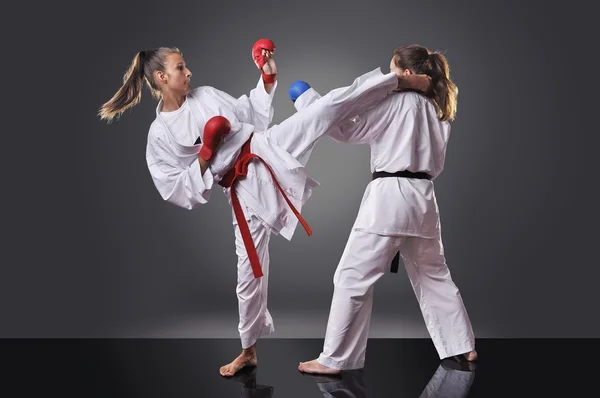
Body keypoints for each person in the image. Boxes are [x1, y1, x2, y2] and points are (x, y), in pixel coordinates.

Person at [97, 40, 431, 377]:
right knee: (250, 273)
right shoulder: (159, 135)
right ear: (161, 77)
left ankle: (397, 82)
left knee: (324, 109)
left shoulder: (206, 95)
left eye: (185, 66)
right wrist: (206, 153)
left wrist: (267, 77)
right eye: (180, 68)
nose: (188, 72)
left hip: (266, 147)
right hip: (241, 188)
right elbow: (175, 188)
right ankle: (248, 351)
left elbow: (249, 116)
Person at [295, 44, 477, 375]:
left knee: (352, 278)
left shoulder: (398, 101)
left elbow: (347, 130)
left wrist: (307, 102)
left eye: (392, 69)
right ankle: (462, 346)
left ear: (405, 73)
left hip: (390, 198)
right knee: (433, 274)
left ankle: (335, 359)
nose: (388, 75)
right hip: (423, 200)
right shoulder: (438, 108)